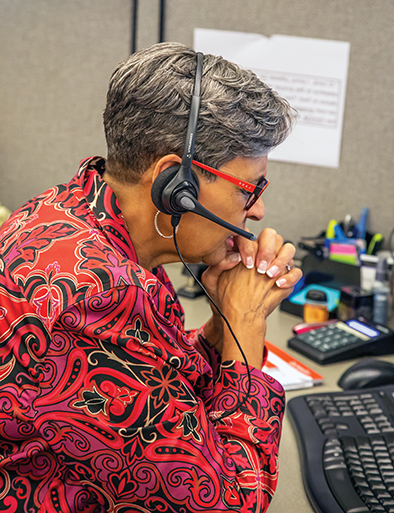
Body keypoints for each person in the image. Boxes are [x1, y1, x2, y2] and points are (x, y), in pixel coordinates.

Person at [0, 42, 301, 512]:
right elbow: (229, 502)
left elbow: (164, 395)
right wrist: (246, 324)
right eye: (251, 188)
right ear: (174, 183)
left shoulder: (74, 214)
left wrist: (222, 326)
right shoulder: (94, 301)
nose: (258, 210)